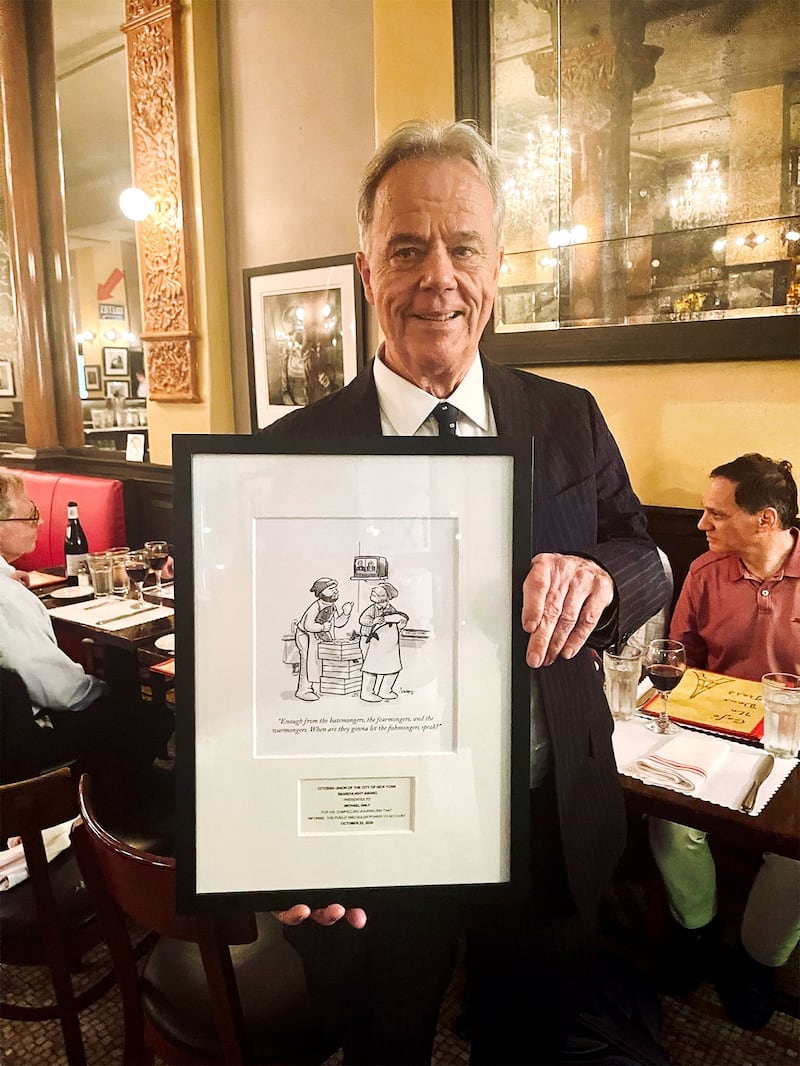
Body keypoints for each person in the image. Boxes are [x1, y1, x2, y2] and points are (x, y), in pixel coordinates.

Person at [262, 120, 668, 1064]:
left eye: (464, 248)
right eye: (407, 248)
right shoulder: (290, 450)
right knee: (382, 1044)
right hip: (373, 834)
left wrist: (601, 575)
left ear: (496, 268)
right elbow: (260, 668)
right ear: (367, 269)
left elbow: (648, 554)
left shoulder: (568, 417)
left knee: (531, 1042)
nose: (437, 277)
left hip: (546, 818)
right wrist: (270, 834)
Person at [649, 453, 800, 1029]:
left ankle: (757, 961)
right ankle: (697, 929)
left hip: (793, 740)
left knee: (794, 854)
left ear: (765, 519)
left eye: (716, 513)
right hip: (715, 728)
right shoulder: (705, 572)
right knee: (669, 818)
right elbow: (679, 659)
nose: (701, 524)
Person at [0, 468, 172, 787]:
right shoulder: (8, 599)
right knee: (152, 717)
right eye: (31, 515)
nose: (40, 521)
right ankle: (107, 804)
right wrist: (105, 688)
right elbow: (62, 693)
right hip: (26, 739)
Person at [294, 577, 353, 701]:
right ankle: (304, 690)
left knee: (319, 661)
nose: (335, 591)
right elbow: (308, 625)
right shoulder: (315, 607)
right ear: (321, 592)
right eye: (331, 589)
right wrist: (322, 627)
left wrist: (346, 613)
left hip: (318, 636)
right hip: (305, 636)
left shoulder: (332, 606)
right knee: (308, 661)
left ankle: (317, 687)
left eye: (335, 588)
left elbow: (337, 623)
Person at [358, 581, 408, 702]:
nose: (373, 592)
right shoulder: (372, 609)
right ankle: (367, 692)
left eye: (379, 593)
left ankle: (385, 690)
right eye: (374, 593)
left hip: (386, 644)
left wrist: (400, 624)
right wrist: (373, 621)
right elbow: (363, 620)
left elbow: (396, 623)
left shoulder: (391, 610)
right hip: (369, 640)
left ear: (387, 597)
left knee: (392, 666)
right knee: (370, 667)